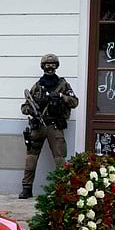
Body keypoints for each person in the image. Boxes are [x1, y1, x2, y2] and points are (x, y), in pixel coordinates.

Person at [19, 53, 79, 199]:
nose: (50, 67)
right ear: (43, 66)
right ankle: (26, 189)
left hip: (54, 126)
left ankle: (62, 189)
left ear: (56, 66)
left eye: (53, 64)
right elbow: (24, 107)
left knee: (59, 158)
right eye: (47, 64)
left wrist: (60, 97)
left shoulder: (63, 85)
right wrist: (30, 110)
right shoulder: (37, 86)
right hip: (38, 127)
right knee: (31, 158)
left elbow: (74, 102)